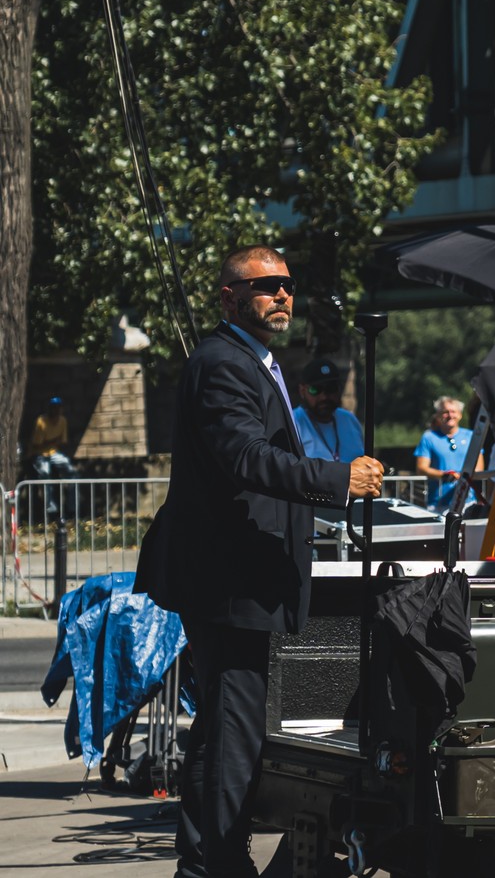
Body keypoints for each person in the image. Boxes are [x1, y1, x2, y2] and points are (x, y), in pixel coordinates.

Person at [133, 246, 382, 878]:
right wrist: (336, 479)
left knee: (222, 727)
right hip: (229, 581)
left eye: (287, 284)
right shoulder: (222, 362)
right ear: (229, 297)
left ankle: (204, 862)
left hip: (240, 577)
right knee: (234, 731)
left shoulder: (255, 360)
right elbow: (244, 457)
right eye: (265, 285)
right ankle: (220, 865)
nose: (282, 295)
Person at [414, 396, 479, 513]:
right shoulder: (428, 437)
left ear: (460, 415)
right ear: (438, 415)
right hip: (437, 502)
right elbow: (421, 468)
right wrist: (444, 475)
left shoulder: (471, 436)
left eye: (453, 411)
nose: (450, 415)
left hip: (467, 501)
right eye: (445, 412)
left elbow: (479, 467)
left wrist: (463, 477)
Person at [292, 359, 363, 465]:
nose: (324, 397)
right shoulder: (293, 423)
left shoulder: (349, 420)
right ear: (302, 391)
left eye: (331, 388)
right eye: (315, 389)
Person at [29, 395, 68, 459]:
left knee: (67, 464)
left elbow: (63, 442)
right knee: (44, 465)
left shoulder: (63, 420)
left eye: (59, 407)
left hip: (54, 453)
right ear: (50, 409)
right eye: (54, 407)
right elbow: (37, 446)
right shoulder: (41, 421)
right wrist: (54, 441)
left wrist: (48, 442)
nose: (57, 410)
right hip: (39, 454)